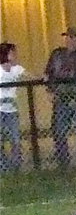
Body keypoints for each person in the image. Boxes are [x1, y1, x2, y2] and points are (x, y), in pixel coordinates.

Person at [44, 26, 76, 164]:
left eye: (71, 37)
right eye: (66, 37)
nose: (68, 40)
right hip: (61, 100)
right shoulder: (57, 55)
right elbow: (48, 74)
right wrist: (50, 91)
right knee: (59, 130)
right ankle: (63, 161)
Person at [0, 42, 26, 172]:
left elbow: (30, 75)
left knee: (15, 139)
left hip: (12, 110)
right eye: (12, 52)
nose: (15, 55)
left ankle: (16, 167)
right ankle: (3, 166)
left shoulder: (17, 69)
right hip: (0, 110)